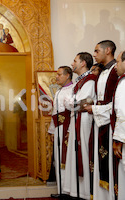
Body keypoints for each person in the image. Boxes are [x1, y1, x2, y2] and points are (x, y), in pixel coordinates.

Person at [84, 40, 118, 200]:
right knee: (98, 158)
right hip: (99, 121)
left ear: (108, 50)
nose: (94, 54)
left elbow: (116, 102)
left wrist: (95, 109)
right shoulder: (103, 71)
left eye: (97, 51)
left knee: (109, 161)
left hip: (109, 124)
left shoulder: (115, 71)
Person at [64, 52, 97, 199]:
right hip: (76, 120)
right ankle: (75, 190)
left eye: (75, 60)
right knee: (74, 154)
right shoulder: (79, 81)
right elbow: (72, 102)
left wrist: (73, 104)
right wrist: (73, 104)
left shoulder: (90, 80)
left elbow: (85, 103)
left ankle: (84, 192)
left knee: (83, 152)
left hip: (84, 121)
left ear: (83, 63)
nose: (72, 64)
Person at [48, 66, 73, 197]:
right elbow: (55, 112)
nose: (56, 77)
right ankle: (61, 190)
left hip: (67, 127)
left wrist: (69, 130)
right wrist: (52, 131)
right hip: (58, 127)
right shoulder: (59, 91)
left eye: (59, 74)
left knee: (66, 158)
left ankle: (68, 190)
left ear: (67, 75)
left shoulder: (73, 89)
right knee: (58, 158)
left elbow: (73, 112)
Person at [111, 50, 125, 200]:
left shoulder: (123, 82)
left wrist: (117, 141)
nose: (116, 65)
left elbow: (122, 114)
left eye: (119, 61)